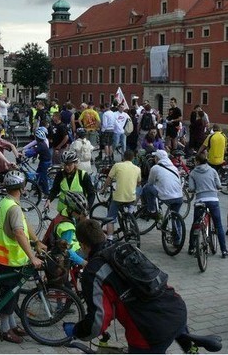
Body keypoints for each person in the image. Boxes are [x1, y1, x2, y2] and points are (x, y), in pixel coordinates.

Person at [64, 218, 188, 353]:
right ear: (103, 234)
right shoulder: (125, 247)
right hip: (176, 308)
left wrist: (78, 330)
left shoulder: (93, 271)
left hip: (148, 331)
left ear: (83, 245)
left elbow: (99, 321)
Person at [0, 170, 44, 343]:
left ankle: (12, 325)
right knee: (8, 295)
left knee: (12, 294)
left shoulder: (7, 202)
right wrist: (32, 257)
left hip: (5, 257)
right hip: (10, 259)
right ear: (21, 188)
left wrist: (36, 241)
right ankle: (4, 330)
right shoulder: (13, 207)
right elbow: (19, 233)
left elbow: (24, 221)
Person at [187, 152, 228, 258]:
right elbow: (219, 185)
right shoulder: (213, 170)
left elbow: (191, 188)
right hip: (213, 200)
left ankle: (191, 247)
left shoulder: (193, 173)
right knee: (218, 225)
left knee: (195, 224)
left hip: (200, 201)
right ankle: (224, 250)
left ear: (197, 161)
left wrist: (194, 189)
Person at [100, 150, 141, 242]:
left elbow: (108, 179)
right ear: (133, 158)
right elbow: (138, 183)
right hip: (131, 197)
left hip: (119, 197)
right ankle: (131, 216)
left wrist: (104, 189)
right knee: (131, 206)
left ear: (123, 157)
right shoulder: (137, 169)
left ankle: (110, 237)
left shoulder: (117, 165)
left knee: (111, 217)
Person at [48, 150, 96, 216]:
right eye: (65, 164)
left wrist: (87, 209)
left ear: (75, 163)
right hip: (63, 211)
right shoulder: (60, 175)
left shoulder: (82, 175)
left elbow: (91, 194)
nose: (67, 167)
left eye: (69, 164)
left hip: (79, 212)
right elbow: (55, 190)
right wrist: (49, 200)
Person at [140, 149, 183, 217]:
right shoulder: (174, 168)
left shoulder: (155, 168)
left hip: (166, 196)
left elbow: (150, 183)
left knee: (147, 187)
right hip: (179, 196)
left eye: (155, 157)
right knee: (175, 217)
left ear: (157, 158)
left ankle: (152, 210)